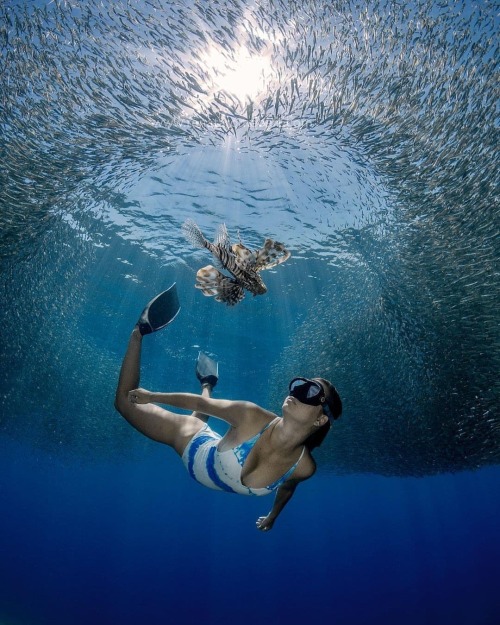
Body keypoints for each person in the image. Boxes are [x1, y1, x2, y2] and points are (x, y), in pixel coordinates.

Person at [114, 284, 342, 531]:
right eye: (298, 384)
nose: (296, 392)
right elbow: (202, 405)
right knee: (125, 403)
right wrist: (151, 396)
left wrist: (272, 516)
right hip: (194, 445)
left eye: (310, 392)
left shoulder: (305, 467)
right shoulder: (252, 416)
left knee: (204, 411)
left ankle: (208, 382)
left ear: (321, 419)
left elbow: (288, 486)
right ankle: (140, 331)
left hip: (212, 450)